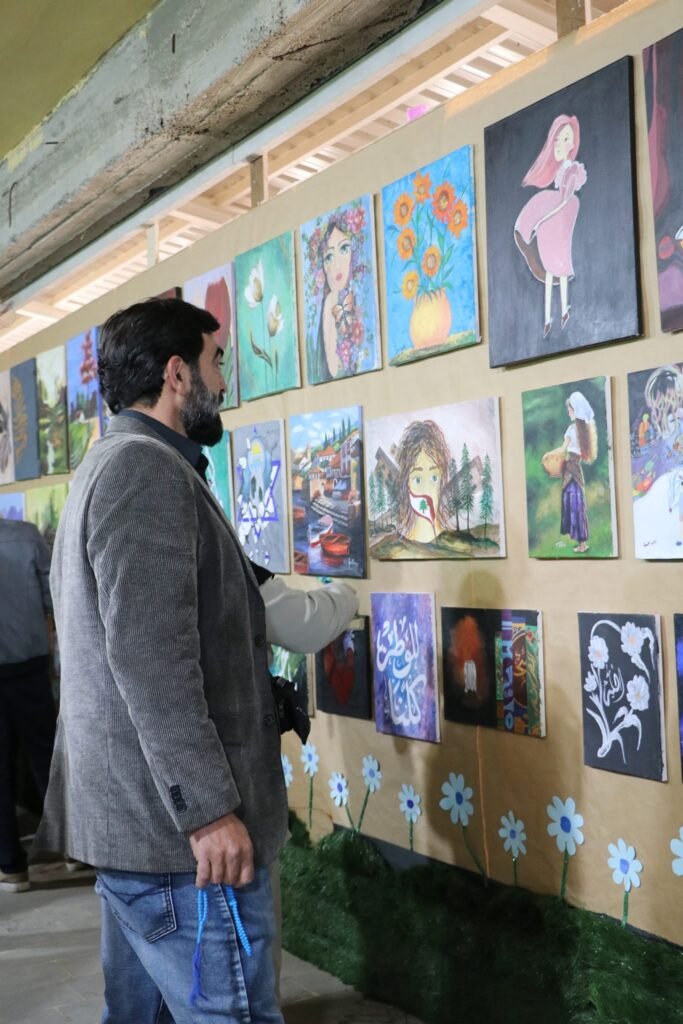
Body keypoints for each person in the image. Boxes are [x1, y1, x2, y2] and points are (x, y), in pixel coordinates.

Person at [35, 298, 358, 1024]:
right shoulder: (143, 472)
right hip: (180, 847)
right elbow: (152, 662)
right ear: (176, 375)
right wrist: (208, 811)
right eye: (216, 362)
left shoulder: (115, 462)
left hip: (147, 836)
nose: (224, 380)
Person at [0, 517, 56, 893]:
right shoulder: (25, 536)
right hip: (31, 666)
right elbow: (53, 600)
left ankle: (11, 866)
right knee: (49, 759)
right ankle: (75, 849)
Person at [514, 114, 587, 338]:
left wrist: (542, 219)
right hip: (553, 224)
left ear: (573, 143)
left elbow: (566, 200)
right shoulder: (562, 170)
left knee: (559, 268)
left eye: (565, 139)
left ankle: (563, 312)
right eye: (556, 139)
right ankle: (548, 318)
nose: (559, 145)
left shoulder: (573, 171)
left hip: (559, 220)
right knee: (550, 269)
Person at [395, 419, 452, 544]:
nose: (426, 490)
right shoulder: (397, 546)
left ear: (442, 480)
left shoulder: (455, 543)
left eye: (434, 478)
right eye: (418, 480)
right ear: (407, 484)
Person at [559, 391, 597, 554]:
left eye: (570, 409)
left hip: (570, 470)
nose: (568, 412)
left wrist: (550, 456)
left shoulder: (571, 429)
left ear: (575, 410)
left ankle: (581, 544)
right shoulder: (583, 431)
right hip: (577, 471)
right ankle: (582, 543)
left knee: (572, 504)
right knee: (578, 505)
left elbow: (563, 449)